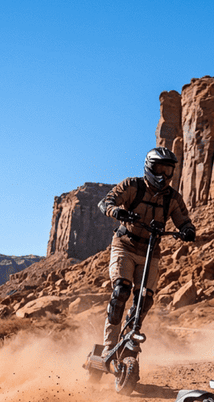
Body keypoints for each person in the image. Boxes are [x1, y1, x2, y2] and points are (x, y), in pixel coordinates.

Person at [84, 147, 196, 370]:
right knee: (121, 291)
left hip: (151, 251)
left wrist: (188, 230)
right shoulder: (132, 186)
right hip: (125, 246)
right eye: (159, 169)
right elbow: (106, 202)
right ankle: (109, 346)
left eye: (168, 170)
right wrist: (115, 211)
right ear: (149, 168)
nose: (163, 175)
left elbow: (183, 220)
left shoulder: (172, 197)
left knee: (144, 299)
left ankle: (128, 339)